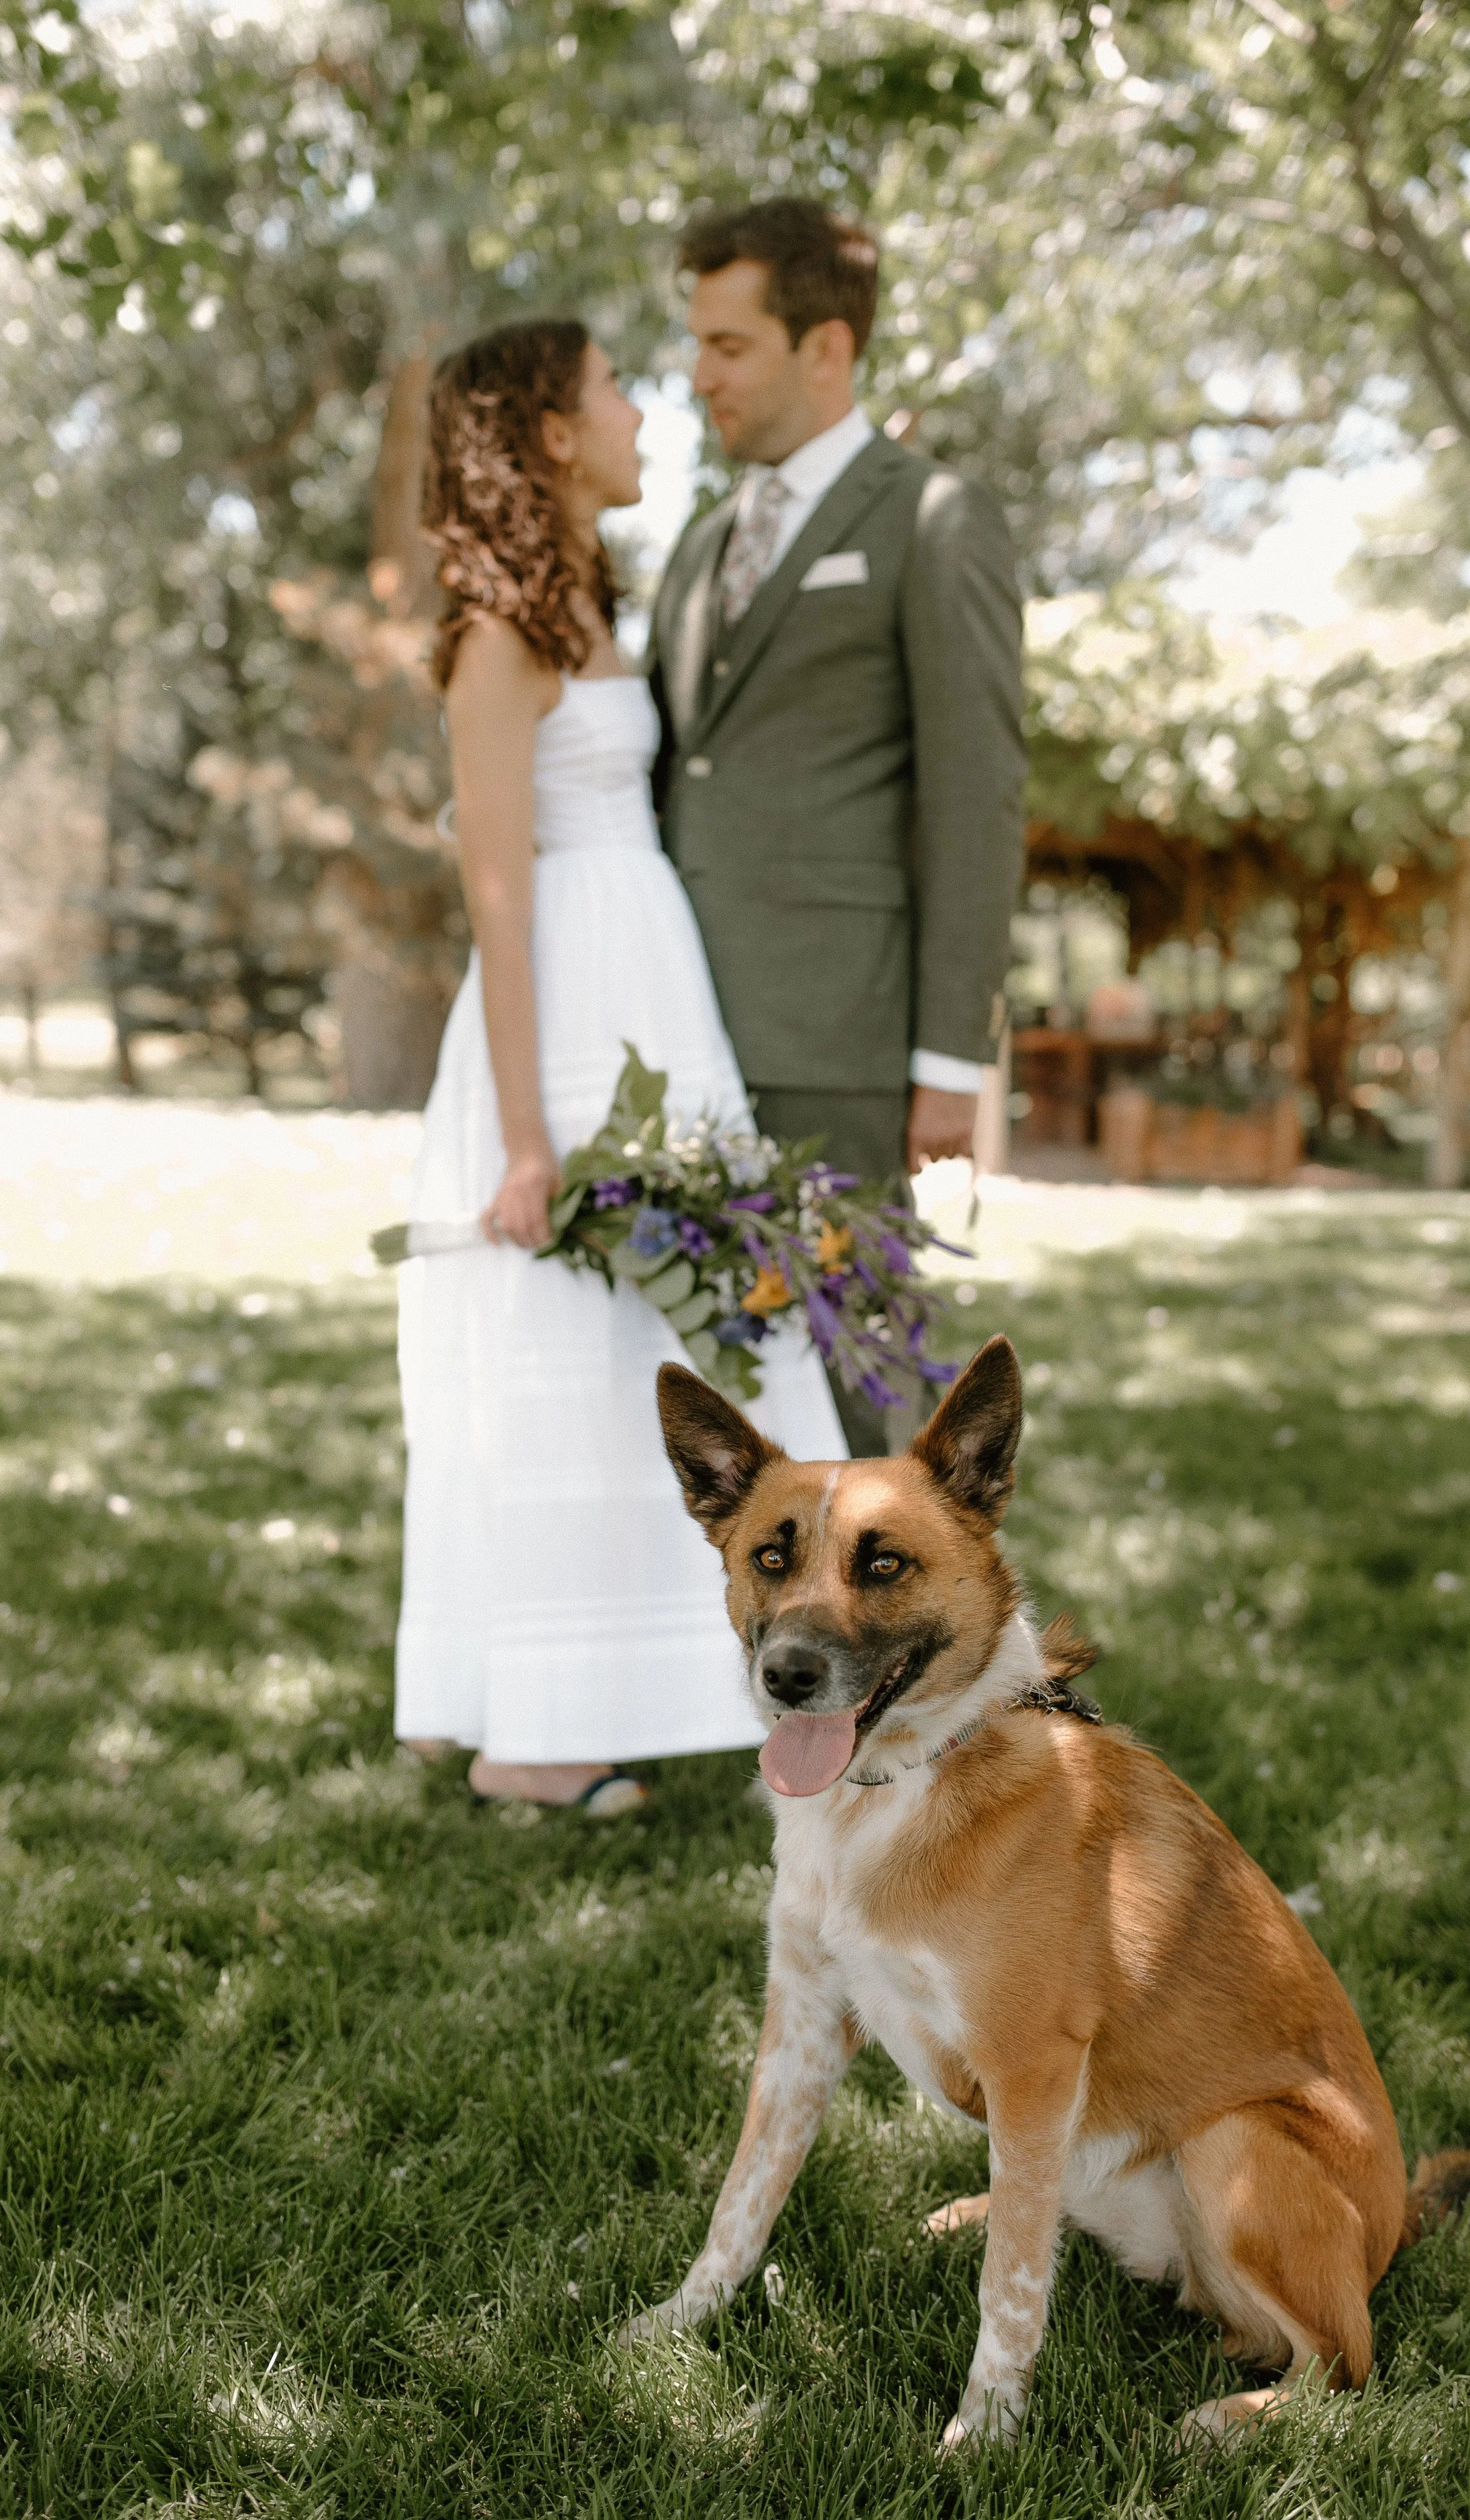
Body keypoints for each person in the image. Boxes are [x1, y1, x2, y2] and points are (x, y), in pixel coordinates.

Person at [393, 319, 846, 1812]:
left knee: (659, 1352)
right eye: (609, 389)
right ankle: (532, 1730)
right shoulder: (498, 630)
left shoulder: (584, 600)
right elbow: (495, 892)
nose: (641, 406)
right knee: (566, 1353)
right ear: (545, 430)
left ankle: (621, 1692)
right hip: (567, 1000)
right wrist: (527, 1139)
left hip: (650, 982)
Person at [649, 198, 1025, 1457]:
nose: (700, 376)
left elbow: (976, 798)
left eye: (729, 345)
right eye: (695, 345)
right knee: (706, 1401)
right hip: (678, 1030)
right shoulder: (701, 543)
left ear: (827, 349)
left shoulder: (931, 519)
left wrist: (949, 1063)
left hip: (840, 1044)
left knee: (864, 1394)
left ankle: (918, 1654)